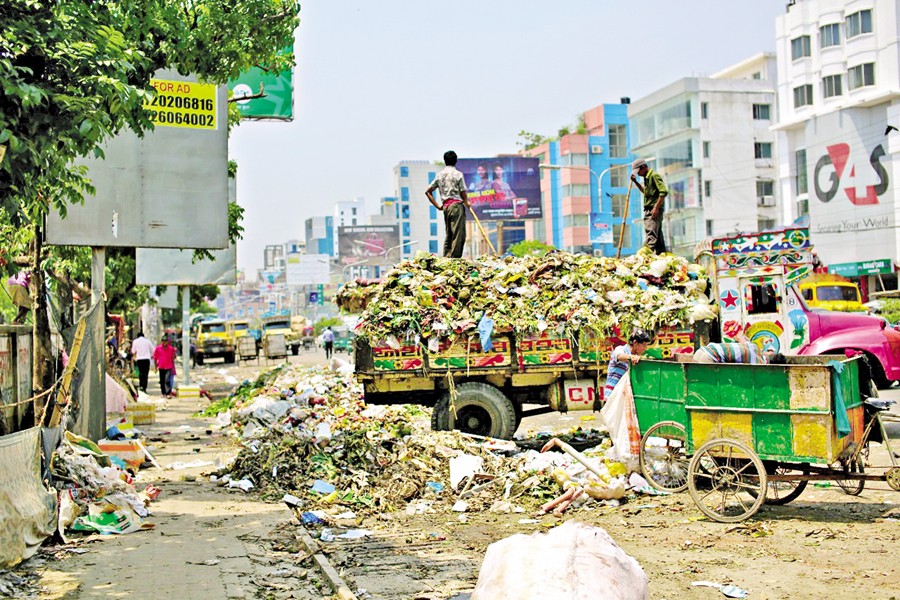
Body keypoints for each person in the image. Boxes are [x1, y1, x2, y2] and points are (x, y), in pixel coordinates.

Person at [426, 150, 470, 258]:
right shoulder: (458, 174)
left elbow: (428, 191)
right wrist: (467, 202)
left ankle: (446, 257)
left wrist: (438, 206)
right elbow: (463, 191)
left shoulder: (440, 175)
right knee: (458, 234)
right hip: (456, 206)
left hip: (446, 207)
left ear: (445, 161)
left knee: (449, 234)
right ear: (456, 161)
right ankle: (454, 259)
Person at [630, 158, 668, 254]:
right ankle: (662, 255)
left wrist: (656, 208)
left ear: (643, 167)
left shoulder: (654, 176)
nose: (638, 174)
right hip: (649, 209)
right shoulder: (646, 179)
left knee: (651, 235)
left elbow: (663, 192)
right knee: (658, 238)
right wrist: (635, 182)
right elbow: (645, 192)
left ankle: (644, 256)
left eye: (638, 171)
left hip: (653, 209)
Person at [604, 329, 653, 399]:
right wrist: (631, 357)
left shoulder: (636, 357)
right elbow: (619, 356)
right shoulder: (621, 349)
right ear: (635, 343)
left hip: (623, 398)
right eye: (644, 345)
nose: (645, 348)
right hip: (612, 398)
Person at [693, 334, 786, 365]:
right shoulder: (759, 363)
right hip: (708, 358)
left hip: (701, 351)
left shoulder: (754, 346)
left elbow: (740, 337)